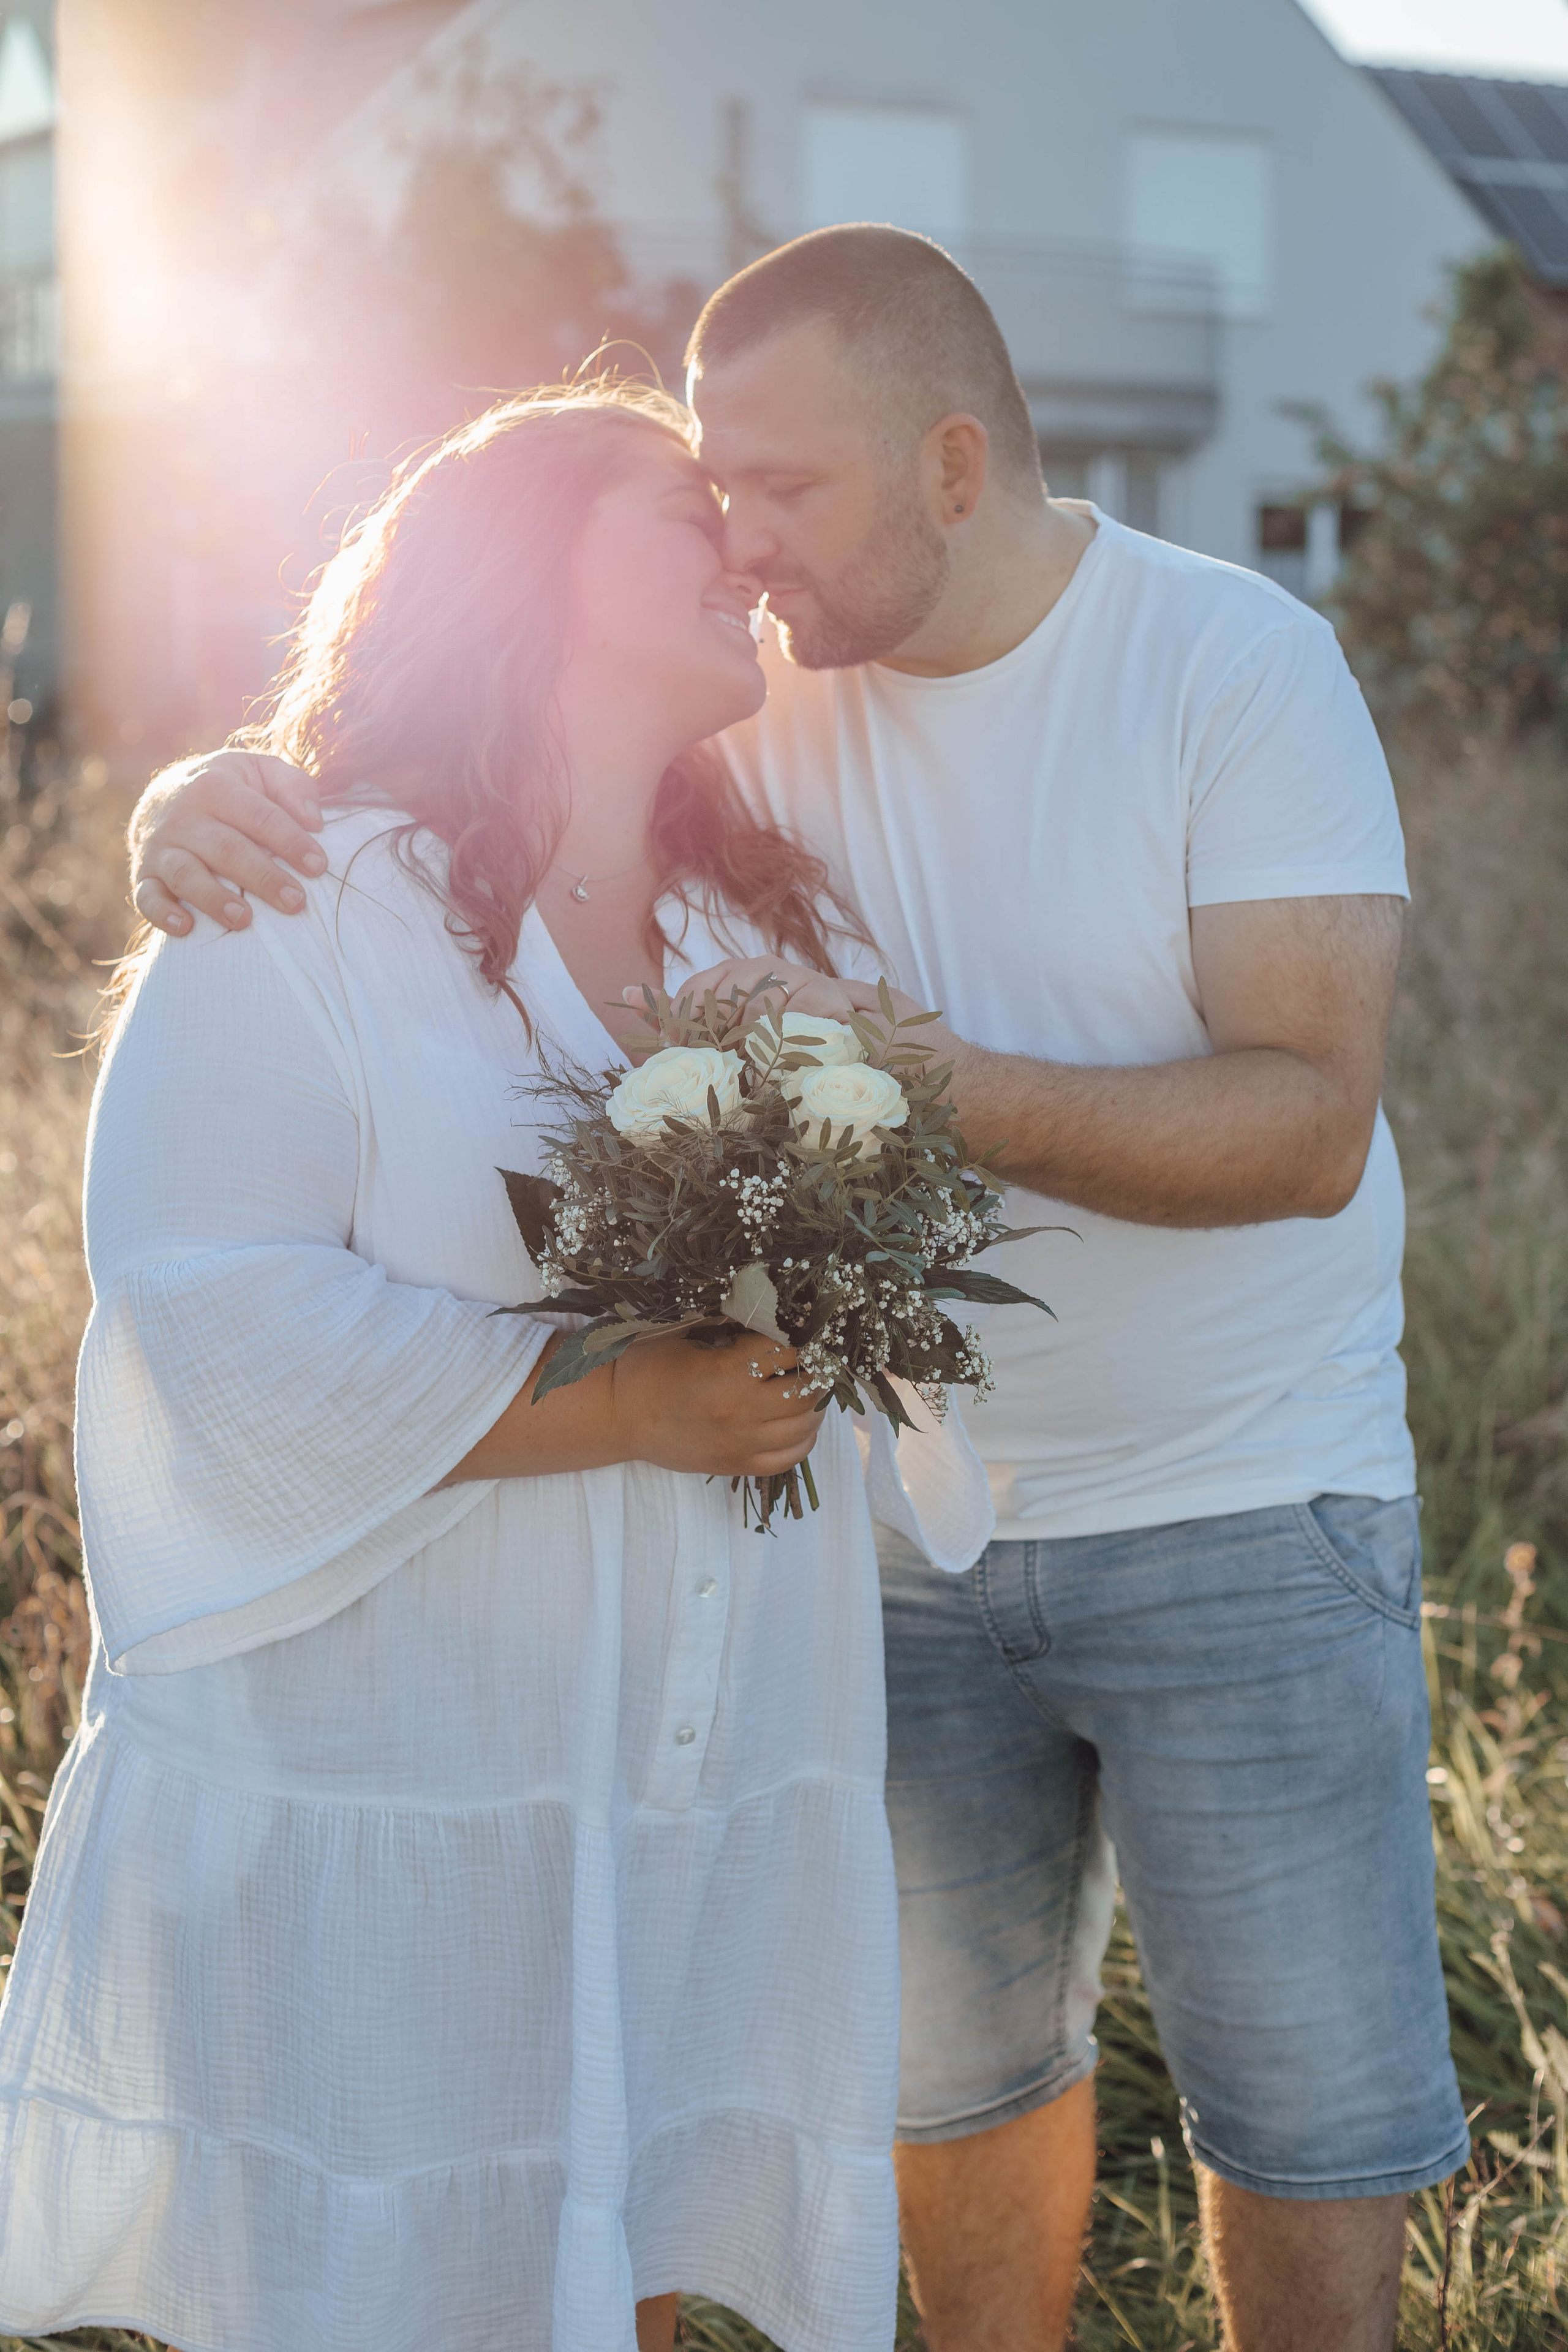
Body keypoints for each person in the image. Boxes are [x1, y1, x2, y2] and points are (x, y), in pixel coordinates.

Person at [129, 227, 1469, 2352]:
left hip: (1237, 1503)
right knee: (954, 2081)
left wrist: (933, 1082)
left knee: (1307, 2115)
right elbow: (481, 743)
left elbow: (1309, 1129)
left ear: (953, 465)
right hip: (884, 1544)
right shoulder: (759, 702)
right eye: (714, 492)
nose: (743, 544)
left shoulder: (1232, 660)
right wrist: (199, 793)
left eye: (782, 487)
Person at [0, 382, 991, 2352]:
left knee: (620, 2246)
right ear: (520, 568)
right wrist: (621, 1406)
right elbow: (209, 1311)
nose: (740, 548)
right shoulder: (302, 898)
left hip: (684, 1743)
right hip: (400, 1767)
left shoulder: (752, 924)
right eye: (682, 507)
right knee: (384, 2273)